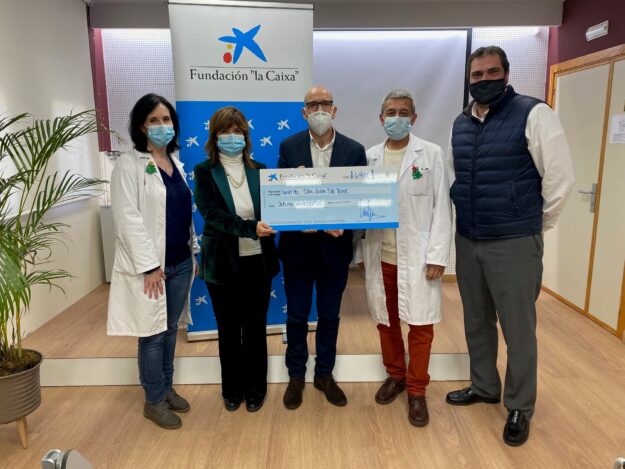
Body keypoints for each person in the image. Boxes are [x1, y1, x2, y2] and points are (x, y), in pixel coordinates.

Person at [446, 46, 574, 446]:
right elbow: (454, 176)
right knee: (476, 320)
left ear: (506, 73)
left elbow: (560, 180)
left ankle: (519, 406)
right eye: (477, 75)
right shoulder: (460, 122)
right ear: (469, 79)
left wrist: (532, 227)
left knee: (518, 329)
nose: (484, 80)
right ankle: (484, 385)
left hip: (514, 241)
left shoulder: (534, 113)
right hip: (469, 239)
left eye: (491, 72)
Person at [359, 89, 451, 427]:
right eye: (390, 113)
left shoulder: (431, 154)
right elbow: (359, 206)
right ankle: (396, 375)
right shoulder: (369, 157)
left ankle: (417, 390)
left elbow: (442, 207)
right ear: (380, 118)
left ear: (414, 118)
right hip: (381, 254)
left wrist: (438, 255)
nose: (396, 118)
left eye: (403, 112)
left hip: (418, 257)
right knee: (386, 322)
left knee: (420, 326)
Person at [107, 93, 199, 430]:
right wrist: (149, 266)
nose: (162, 126)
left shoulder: (177, 164)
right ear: (142, 127)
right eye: (154, 120)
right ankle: (154, 399)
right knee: (152, 334)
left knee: (170, 329)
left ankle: (166, 387)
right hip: (152, 268)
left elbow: (183, 215)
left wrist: (193, 251)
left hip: (181, 262)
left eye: (166, 119)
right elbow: (127, 219)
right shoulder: (129, 164)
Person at [279, 85, 367, 410]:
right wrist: (295, 208)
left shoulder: (353, 150)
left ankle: (324, 374)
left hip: (335, 251)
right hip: (297, 250)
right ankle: (296, 376)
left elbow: (361, 200)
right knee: (297, 316)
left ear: (334, 109)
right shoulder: (289, 147)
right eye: (312, 105)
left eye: (324, 104)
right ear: (304, 112)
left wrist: (347, 223)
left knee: (330, 316)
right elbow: (281, 198)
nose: (319, 110)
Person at [193, 106, 280, 413]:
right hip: (223, 264)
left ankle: (256, 389)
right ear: (214, 137)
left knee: (255, 329)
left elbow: (276, 208)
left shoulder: (261, 169)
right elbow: (211, 215)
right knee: (229, 331)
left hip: (258, 261)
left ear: (245, 135)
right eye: (225, 131)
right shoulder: (204, 171)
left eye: (237, 131)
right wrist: (249, 228)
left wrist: (295, 193)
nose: (232, 136)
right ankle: (232, 389)